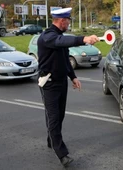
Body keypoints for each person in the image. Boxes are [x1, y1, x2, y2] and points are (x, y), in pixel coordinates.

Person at [37, 7, 99, 168]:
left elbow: (65, 60)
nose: (69, 24)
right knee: (54, 117)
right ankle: (62, 154)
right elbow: (61, 42)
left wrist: (73, 77)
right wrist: (84, 38)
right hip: (48, 83)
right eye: (68, 21)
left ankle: (51, 139)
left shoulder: (59, 36)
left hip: (61, 82)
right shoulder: (48, 37)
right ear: (62, 21)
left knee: (59, 115)